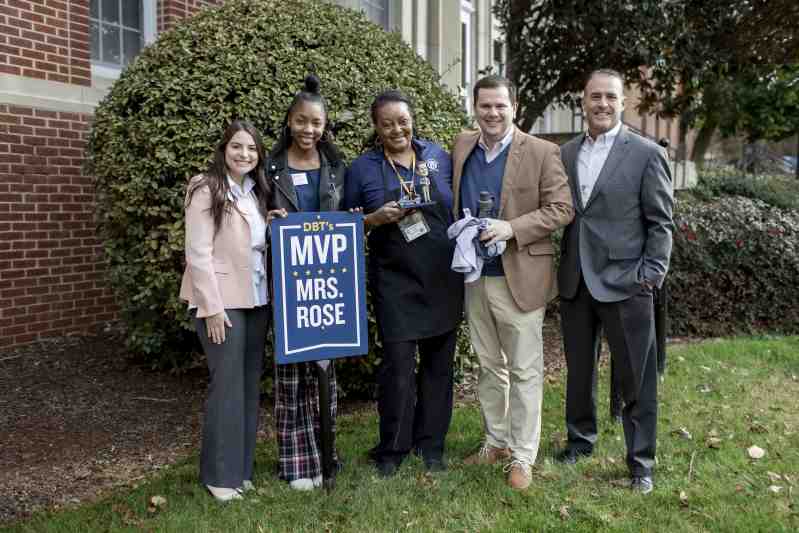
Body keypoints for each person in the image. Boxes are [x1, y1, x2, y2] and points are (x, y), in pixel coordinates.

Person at [453, 75, 574, 490]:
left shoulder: (542, 151)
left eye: (500, 105)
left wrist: (511, 227)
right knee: (489, 366)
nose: (492, 113)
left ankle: (523, 455)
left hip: (519, 276)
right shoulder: (463, 146)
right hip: (475, 277)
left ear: (514, 107)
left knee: (524, 371)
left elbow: (562, 208)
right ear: (475, 107)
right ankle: (496, 441)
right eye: (485, 105)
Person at [556, 69, 674, 495]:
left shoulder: (645, 153)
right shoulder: (566, 153)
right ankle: (579, 441)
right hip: (576, 280)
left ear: (623, 102)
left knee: (636, 379)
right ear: (583, 102)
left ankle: (641, 462)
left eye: (610, 97)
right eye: (594, 97)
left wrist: (651, 275)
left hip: (628, 282)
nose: (602, 104)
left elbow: (661, 222)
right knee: (578, 373)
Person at [344, 89, 463, 477]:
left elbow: (457, 206)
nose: (397, 128)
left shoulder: (438, 157)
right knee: (397, 367)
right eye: (387, 123)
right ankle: (393, 448)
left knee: (438, 366)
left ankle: (432, 446)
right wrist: (372, 219)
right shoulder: (361, 169)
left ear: (413, 120)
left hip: (442, 275)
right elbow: (345, 224)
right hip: (394, 279)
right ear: (376, 128)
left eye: (402, 120)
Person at [179, 119, 273, 502]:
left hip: (256, 300)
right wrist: (212, 309)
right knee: (226, 387)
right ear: (224, 149)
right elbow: (198, 253)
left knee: (249, 386)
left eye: (251, 149)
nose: (244, 154)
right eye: (237, 146)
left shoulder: (256, 191)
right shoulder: (206, 188)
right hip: (222, 303)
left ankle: (241, 470)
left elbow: (252, 243)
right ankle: (219, 476)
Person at [266, 74, 347, 491]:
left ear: (324, 125)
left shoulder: (335, 167)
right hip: (288, 280)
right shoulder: (272, 168)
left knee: (324, 372)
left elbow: (347, 217)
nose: (308, 130)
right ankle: (298, 462)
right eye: (301, 121)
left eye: (316, 123)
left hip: (327, 283)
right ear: (289, 121)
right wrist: (268, 224)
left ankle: (326, 455)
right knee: (291, 373)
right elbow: (253, 218)